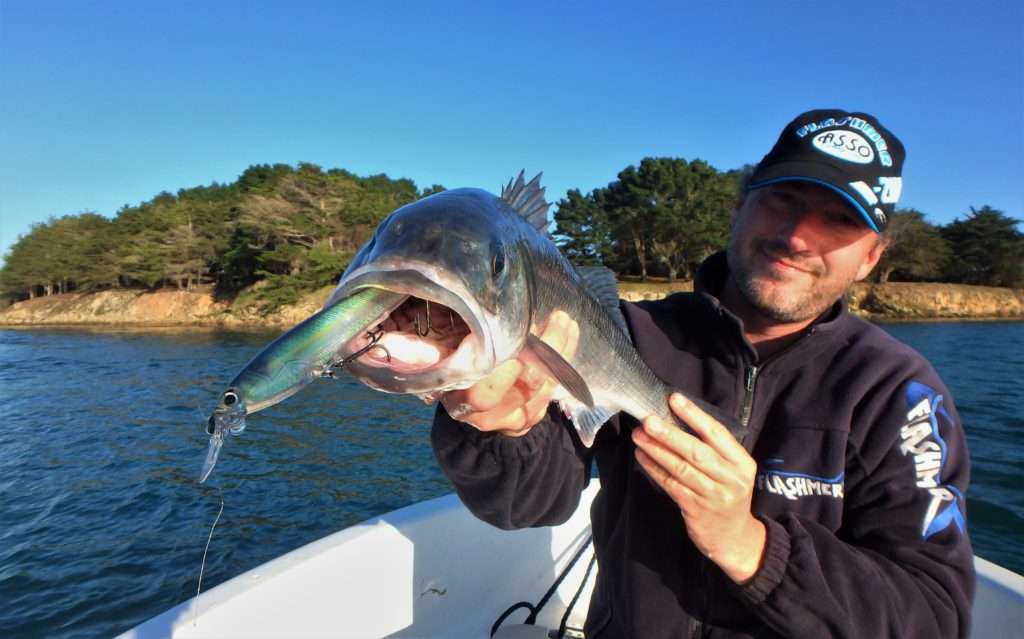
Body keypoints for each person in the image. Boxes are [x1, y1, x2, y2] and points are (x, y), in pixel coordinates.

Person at [430, 109, 975, 638]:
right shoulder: (626, 333)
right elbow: (527, 506)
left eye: (838, 220)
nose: (797, 237)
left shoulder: (898, 393)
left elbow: (933, 615)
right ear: (739, 206)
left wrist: (749, 545)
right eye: (783, 199)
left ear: (871, 258)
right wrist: (502, 429)